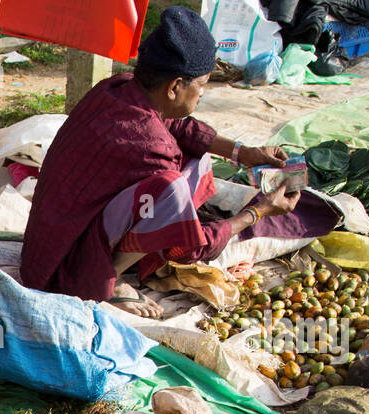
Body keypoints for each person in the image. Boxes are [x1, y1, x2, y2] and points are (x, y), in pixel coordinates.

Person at [21, 6, 302, 319]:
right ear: (175, 87)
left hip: (45, 247)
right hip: (61, 272)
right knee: (172, 188)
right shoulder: (153, 147)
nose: (203, 94)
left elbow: (181, 126)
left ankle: (130, 254)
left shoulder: (118, 88)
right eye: (203, 85)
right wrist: (259, 211)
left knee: (198, 155)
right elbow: (197, 248)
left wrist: (242, 152)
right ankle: (107, 280)